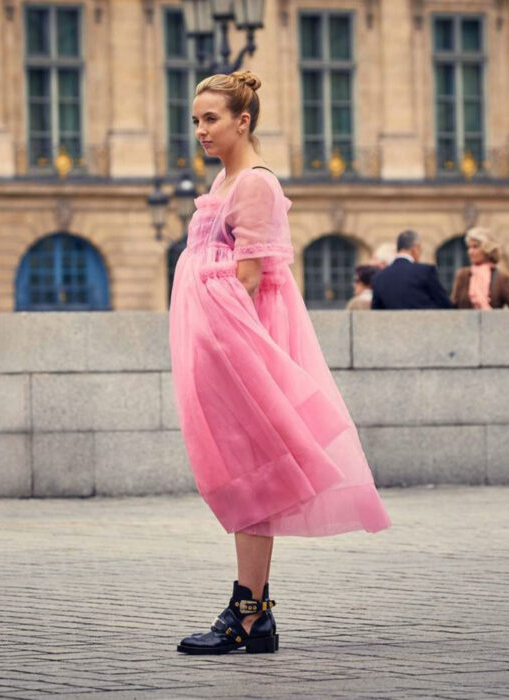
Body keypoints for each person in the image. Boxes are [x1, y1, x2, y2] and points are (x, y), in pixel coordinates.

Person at [168, 71, 392, 656]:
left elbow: (248, 278)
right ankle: (255, 612)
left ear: (244, 120)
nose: (201, 131)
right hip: (224, 344)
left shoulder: (256, 184)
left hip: (243, 345)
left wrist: (220, 346)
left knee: (253, 476)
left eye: (211, 119)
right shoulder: (226, 179)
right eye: (195, 120)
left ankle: (248, 611)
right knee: (247, 474)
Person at [372, 230, 451, 309]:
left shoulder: (379, 277)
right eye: (420, 249)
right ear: (415, 249)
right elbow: (444, 303)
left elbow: (376, 311)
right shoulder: (426, 271)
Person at [451, 227, 509, 309]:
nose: (470, 252)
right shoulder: (463, 275)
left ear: (487, 249)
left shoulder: (501, 279)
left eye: (475, 247)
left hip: (492, 321)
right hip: (465, 321)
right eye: (469, 247)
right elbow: (454, 306)